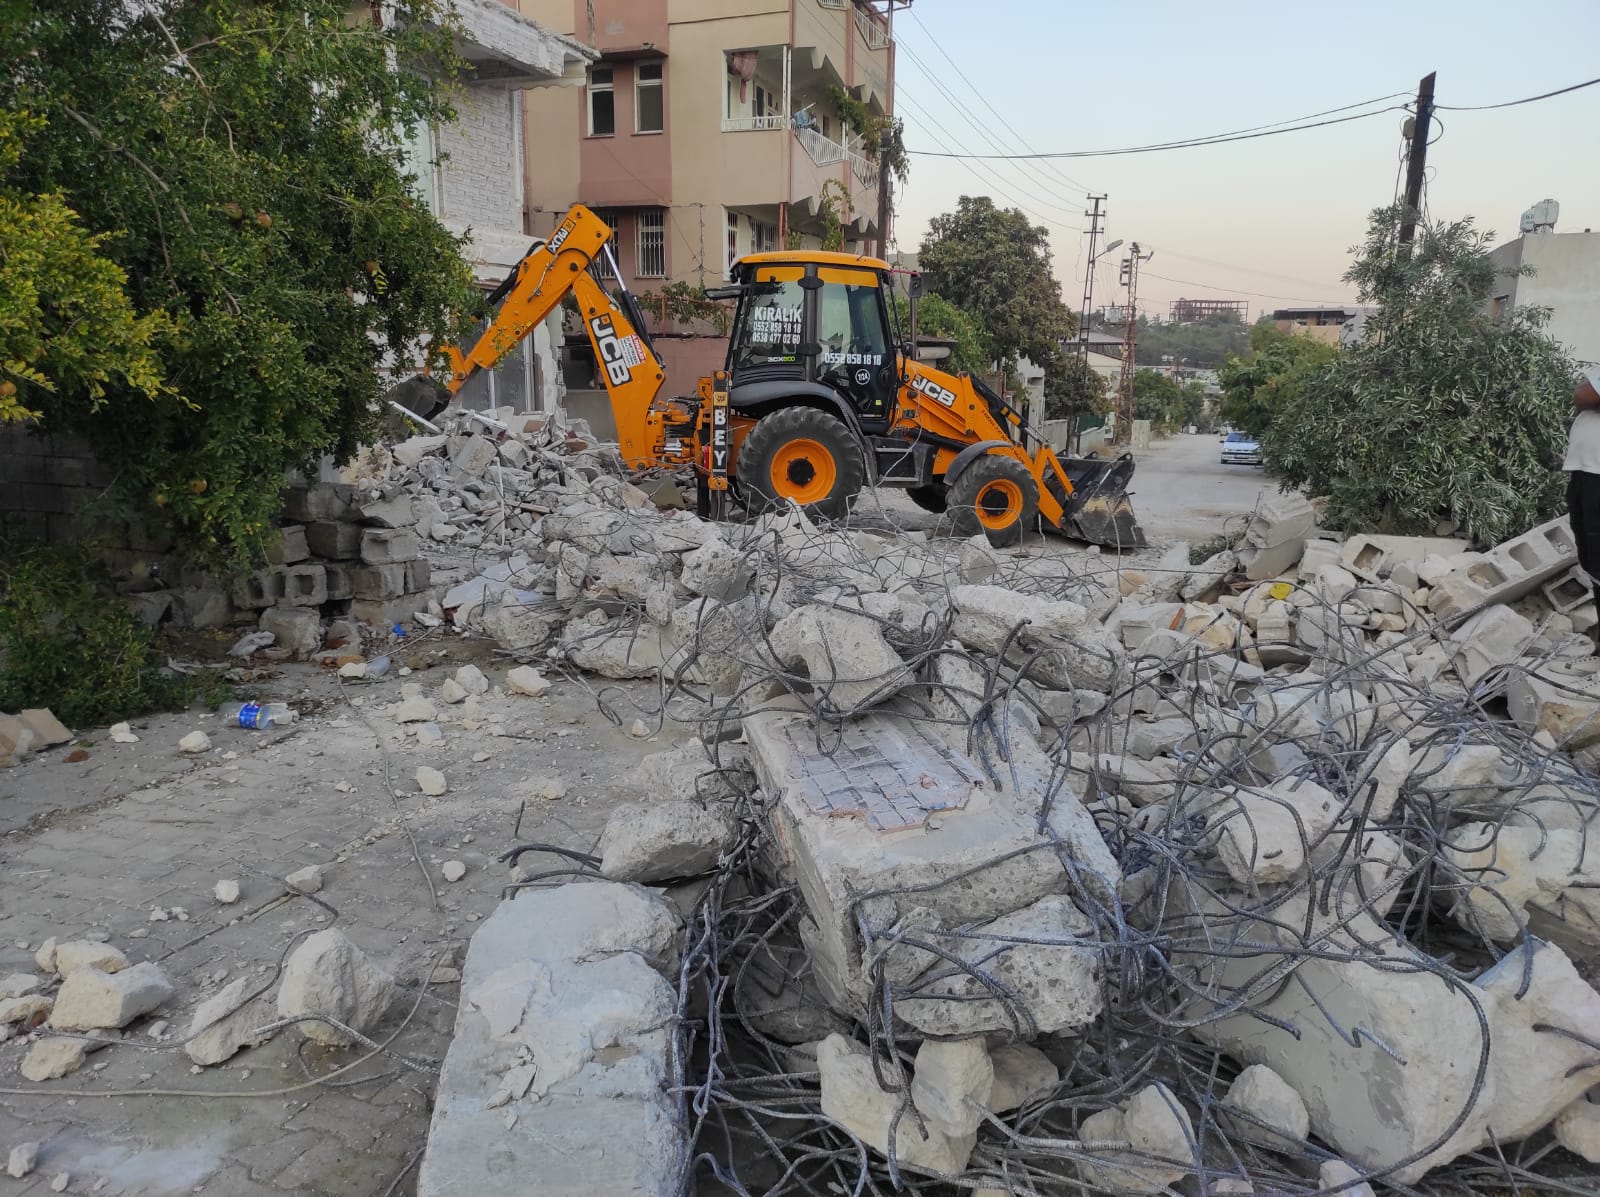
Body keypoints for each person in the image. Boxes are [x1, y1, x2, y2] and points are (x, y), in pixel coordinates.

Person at [1565, 365, 1600, 648]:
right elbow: (1582, 396)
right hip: (1585, 473)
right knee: (1591, 562)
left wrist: (1592, 395)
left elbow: (1584, 395)